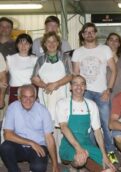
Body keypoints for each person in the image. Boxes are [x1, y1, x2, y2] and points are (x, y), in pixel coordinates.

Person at [72, 22, 118, 163]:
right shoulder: (78, 52)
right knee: (89, 126)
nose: (89, 34)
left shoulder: (105, 49)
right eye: (86, 32)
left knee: (105, 124)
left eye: (92, 31)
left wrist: (108, 90)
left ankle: (111, 153)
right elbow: (75, 74)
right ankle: (94, 154)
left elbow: (114, 70)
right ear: (83, 34)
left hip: (102, 92)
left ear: (96, 33)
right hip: (85, 93)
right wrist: (77, 94)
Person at [56, 75, 115, 172]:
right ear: (70, 87)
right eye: (75, 84)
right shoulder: (62, 103)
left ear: (85, 87)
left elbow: (97, 131)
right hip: (68, 146)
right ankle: (73, 168)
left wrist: (104, 154)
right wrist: (79, 149)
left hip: (86, 144)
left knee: (109, 167)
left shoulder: (91, 105)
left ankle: (78, 169)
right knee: (80, 159)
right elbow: (64, 127)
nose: (79, 87)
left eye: (82, 84)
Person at [31, 31, 73, 161]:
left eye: (54, 41)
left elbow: (70, 76)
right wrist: (44, 85)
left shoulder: (65, 58)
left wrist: (56, 84)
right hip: (46, 96)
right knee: (49, 126)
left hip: (62, 95)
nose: (51, 44)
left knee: (63, 124)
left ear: (58, 43)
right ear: (44, 44)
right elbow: (34, 78)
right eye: (48, 41)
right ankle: (51, 155)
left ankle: (63, 155)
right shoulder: (41, 59)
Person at [0, 84, 59, 172]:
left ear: (35, 97)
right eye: (24, 97)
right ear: (19, 97)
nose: (28, 100)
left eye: (31, 97)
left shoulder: (43, 111)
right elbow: (7, 135)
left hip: (39, 146)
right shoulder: (12, 107)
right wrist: (31, 143)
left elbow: (49, 138)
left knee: (38, 168)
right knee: (5, 147)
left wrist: (55, 164)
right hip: (19, 146)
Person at [6, 33, 38, 104]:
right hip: (15, 91)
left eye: (26, 43)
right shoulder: (10, 58)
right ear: (17, 45)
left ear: (30, 45)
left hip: (31, 92)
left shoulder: (35, 59)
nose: (23, 46)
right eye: (20, 43)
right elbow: (2, 73)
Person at [0, 17, 17, 141]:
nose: (5, 28)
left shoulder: (17, 46)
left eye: (7, 26)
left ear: (11, 29)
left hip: (8, 90)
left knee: (5, 121)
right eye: (2, 26)